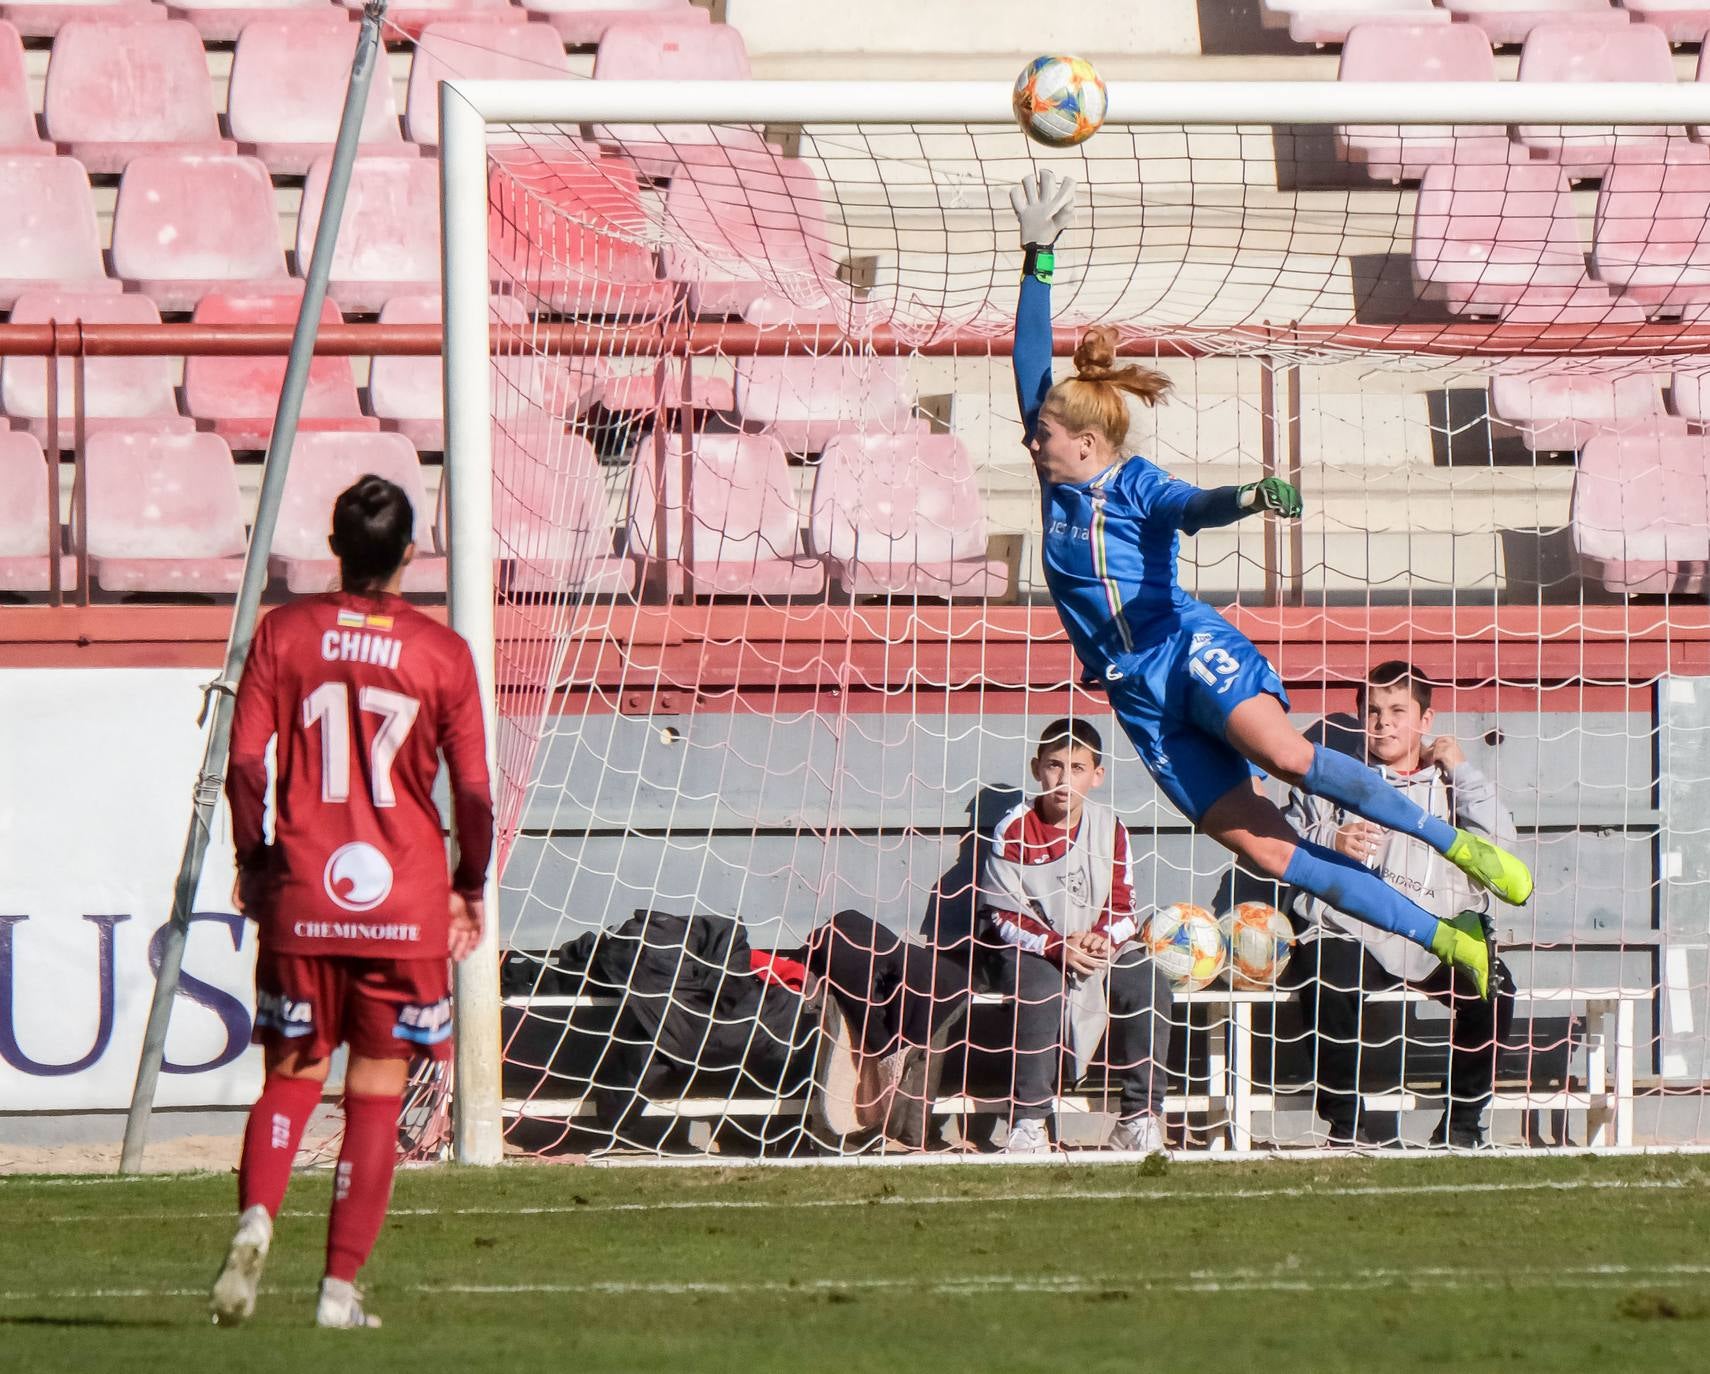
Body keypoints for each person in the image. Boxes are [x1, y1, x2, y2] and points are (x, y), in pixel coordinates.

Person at [1006, 168, 1529, 1005]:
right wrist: (1038, 257)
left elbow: (1194, 507)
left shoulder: (1134, 483)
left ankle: (1454, 844)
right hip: (1136, 697)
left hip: (1185, 649)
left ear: (1087, 443)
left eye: (1045, 435)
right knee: (1272, 853)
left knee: (1287, 753)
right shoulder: (1056, 478)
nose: (1031, 443)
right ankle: (1445, 936)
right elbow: (1031, 357)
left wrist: (1246, 497)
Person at [210, 474, 493, 1330]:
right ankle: (337, 1293)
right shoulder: (441, 652)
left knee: (292, 1077)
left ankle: (258, 1215)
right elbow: (474, 792)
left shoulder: (283, 634)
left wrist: (254, 857)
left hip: (304, 889)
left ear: (334, 547)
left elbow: (248, 765)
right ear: (411, 553)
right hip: (403, 900)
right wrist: (467, 886)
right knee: (376, 1089)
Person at [1283, 662, 1517, 1149]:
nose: (1382, 723)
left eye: (1396, 711)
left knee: (1493, 988)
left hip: (1437, 932)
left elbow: (1501, 849)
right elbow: (1282, 841)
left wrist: (1462, 769)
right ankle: (1348, 1127)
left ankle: (1462, 1126)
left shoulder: (1450, 782)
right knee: (1325, 978)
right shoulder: (1333, 774)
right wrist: (1331, 835)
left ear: (1425, 720)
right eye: (1370, 711)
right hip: (1354, 931)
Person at [975, 717, 1172, 1156]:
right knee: (1042, 989)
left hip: (1093, 948)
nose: (1063, 780)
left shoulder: (1111, 828)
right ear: (1036, 768)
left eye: (1077, 768)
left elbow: (1124, 906)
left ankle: (1139, 1117)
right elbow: (1001, 914)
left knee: (1148, 981)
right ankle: (1029, 1121)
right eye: (1054, 766)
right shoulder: (1014, 829)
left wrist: (1104, 939)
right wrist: (1054, 946)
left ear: (1097, 775)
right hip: (1031, 950)